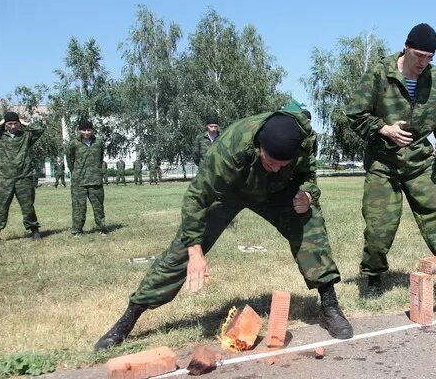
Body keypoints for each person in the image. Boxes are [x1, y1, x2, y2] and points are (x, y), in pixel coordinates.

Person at [94, 111, 353, 350]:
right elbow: (196, 198)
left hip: (276, 191)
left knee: (308, 221)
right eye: (272, 161)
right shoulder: (229, 150)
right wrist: (195, 251)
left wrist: (308, 193)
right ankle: (129, 318)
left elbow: (308, 173)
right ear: (258, 147)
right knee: (182, 251)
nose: (277, 166)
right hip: (230, 190)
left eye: (283, 163)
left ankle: (329, 306)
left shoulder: (303, 140)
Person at [346, 23, 436, 302]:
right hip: (384, 163)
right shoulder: (379, 74)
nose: (423, 62)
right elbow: (355, 115)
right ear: (406, 47)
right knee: (379, 226)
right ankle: (373, 277)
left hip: (421, 162)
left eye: (429, 57)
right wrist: (384, 129)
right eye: (419, 55)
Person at [0, 112, 45, 243]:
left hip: (24, 177)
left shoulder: (26, 136)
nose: (12, 126)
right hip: (5, 178)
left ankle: (34, 231)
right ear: (5, 124)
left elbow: (39, 129)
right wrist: (1, 122)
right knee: (1, 207)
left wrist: (24, 122)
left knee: (28, 206)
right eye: (9, 124)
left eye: (15, 123)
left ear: (19, 124)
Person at [67, 120, 108, 237]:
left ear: (92, 130)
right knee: (78, 208)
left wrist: (96, 171)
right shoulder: (73, 143)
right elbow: (70, 161)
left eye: (89, 130)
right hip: (78, 182)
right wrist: (76, 172)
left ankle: (102, 228)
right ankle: (77, 231)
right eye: (84, 130)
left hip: (95, 180)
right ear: (79, 130)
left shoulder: (98, 143)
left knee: (98, 207)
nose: (86, 132)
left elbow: (100, 159)